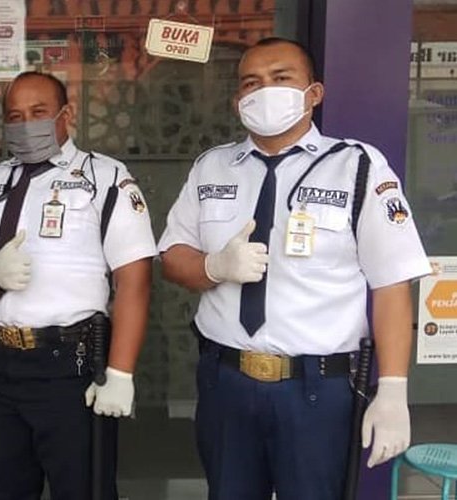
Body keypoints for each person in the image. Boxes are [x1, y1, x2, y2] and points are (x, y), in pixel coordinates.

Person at [157, 37, 431, 500]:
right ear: (237, 100)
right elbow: (172, 257)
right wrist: (214, 266)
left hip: (317, 391)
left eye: (280, 78)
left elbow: (391, 284)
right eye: (251, 83)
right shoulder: (212, 168)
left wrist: (392, 390)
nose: (264, 90)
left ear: (314, 93)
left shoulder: (357, 167)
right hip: (226, 382)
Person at [0, 71, 157, 499]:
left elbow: (134, 280)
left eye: (38, 112)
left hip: (68, 366)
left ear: (66, 115)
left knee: (82, 489)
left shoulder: (105, 178)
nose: (26, 124)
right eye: (15, 116)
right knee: (2, 488)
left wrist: (120, 373)